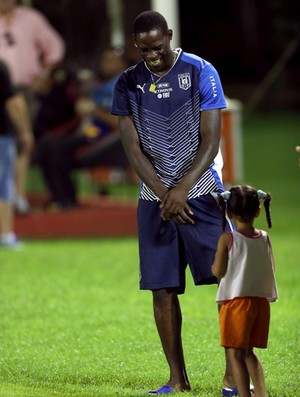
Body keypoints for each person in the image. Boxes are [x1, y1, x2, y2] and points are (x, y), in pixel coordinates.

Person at [111, 10, 234, 394]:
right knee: (161, 288)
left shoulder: (200, 71)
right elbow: (132, 149)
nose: (153, 56)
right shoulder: (127, 83)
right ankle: (177, 379)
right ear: (136, 45)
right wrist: (165, 195)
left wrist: (181, 190)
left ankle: (233, 375)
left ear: (169, 35)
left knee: (226, 283)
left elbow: (211, 139)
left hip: (200, 195)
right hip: (155, 200)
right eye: (145, 50)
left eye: (159, 47)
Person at [34, 46, 129, 209]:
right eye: (106, 60)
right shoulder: (98, 84)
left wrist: (93, 109)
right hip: (87, 132)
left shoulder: (125, 85)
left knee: (58, 149)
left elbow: (121, 122)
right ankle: (59, 197)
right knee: (45, 145)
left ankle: (66, 201)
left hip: (104, 137)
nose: (107, 64)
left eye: (113, 61)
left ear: (123, 64)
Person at [211, 185, 278, 397]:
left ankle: (243, 394)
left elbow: (218, 271)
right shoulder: (265, 237)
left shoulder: (227, 239)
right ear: (258, 211)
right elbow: (271, 267)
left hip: (235, 304)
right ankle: (261, 393)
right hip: (260, 303)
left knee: (235, 353)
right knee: (250, 352)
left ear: (229, 212)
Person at [0, 0, 65, 213]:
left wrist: (44, 75)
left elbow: (55, 47)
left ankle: (17, 196)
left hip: (23, 89)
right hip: (1, 88)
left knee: (21, 140)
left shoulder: (30, 18)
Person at [0, 60, 33, 248]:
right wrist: (24, 131)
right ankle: (5, 234)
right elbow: (13, 102)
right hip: (2, 134)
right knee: (4, 183)